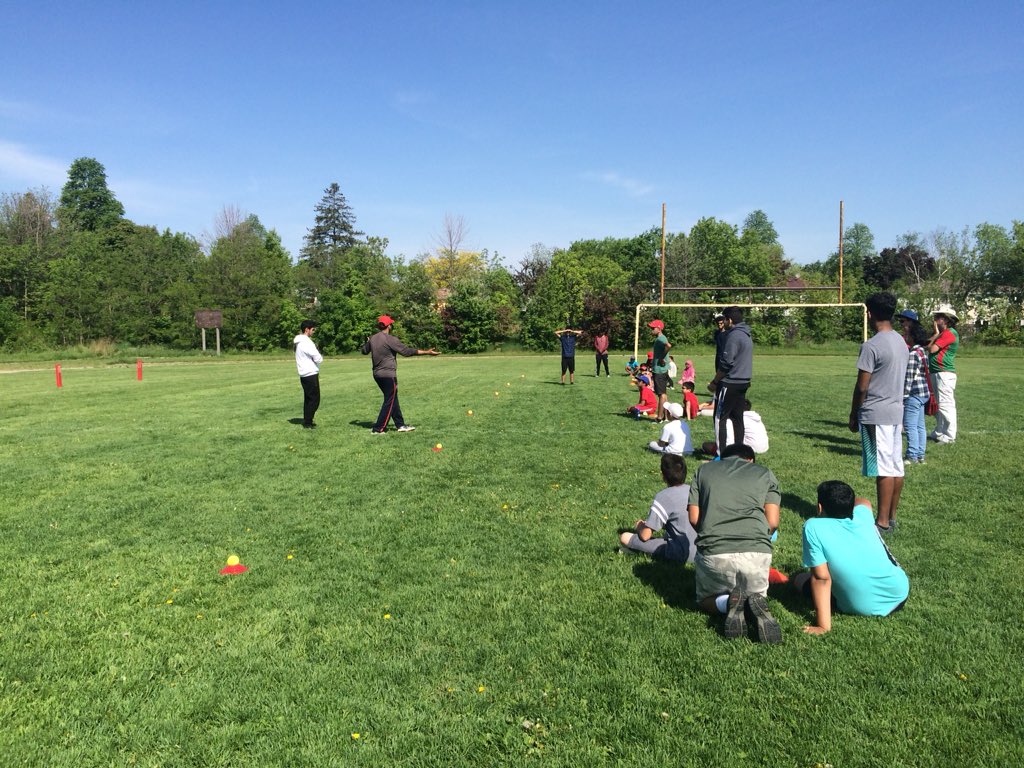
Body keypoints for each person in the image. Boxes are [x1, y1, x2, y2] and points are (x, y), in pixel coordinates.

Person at [688, 443, 783, 643]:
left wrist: (710, 535)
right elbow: (773, 522)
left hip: (715, 552)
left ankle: (726, 604)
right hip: (756, 553)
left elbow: (694, 518)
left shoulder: (703, 471)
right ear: (750, 460)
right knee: (754, 596)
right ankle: (751, 604)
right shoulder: (764, 473)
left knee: (704, 601)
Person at [794, 481, 910, 635]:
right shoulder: (863, 514)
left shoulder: (813, 527)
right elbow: (864, 501)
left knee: (799, 579)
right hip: (900, 592)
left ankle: (826, 619)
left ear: (820, 507)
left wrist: (823, 626)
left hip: (861, 606)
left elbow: (821, 578)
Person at [849, 292, 908, 535]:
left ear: (870, 313)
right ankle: (891, 516)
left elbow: (863, 385)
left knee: (883, 467)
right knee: (895, 466)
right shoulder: (900, 341)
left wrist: (854, 413)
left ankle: (882, 522)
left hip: (877, 412)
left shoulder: (872, 345)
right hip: (896, 412)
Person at [361, 314, 439, 434]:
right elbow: (407, 352)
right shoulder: (390, 339)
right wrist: (427, 352)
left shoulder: (373, 339)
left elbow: (364, 351)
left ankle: (400, 425)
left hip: (377, 375)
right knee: (389, 400)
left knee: (392, 399)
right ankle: (378, 429)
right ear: (389, 326)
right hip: (388, 375)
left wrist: (368, 341)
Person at [618, 453, 697, 562]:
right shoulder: (694, 490)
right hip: (701, 550)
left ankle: (635, 551)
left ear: (663, 476)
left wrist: (640, 526)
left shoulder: (664, 496)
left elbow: (645, 536)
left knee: (625, 537)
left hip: (680, 553)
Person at [709, 306, 753, 451]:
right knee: (737, 419)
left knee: (719, 419)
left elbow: (727, 363)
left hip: (730, 383)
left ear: (730, 320)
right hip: (743, 382)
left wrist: (715, 382)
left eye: (724, 320)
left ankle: (721, 455)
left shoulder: (733, 335)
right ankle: (739, 452)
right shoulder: (746, 334)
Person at [928, 304, 959, 444]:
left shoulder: (949, 333)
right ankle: (940, 431)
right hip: (937, 372)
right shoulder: (943, 333)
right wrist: (935, 334)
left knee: (946, 404)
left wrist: (935, 336)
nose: (935, 319)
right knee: (939, 405)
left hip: (944, 373)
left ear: (946, 320)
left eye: (938, 317)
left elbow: (932, 349)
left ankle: (949, 435)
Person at [903, 323, 931, 464]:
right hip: (923, 393)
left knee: (910, 425)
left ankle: (912, 455)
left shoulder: (913, 354)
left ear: (913, 337)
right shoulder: (922, 351)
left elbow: (909, 378)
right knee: (920, 426)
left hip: (914, 393)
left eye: (907, 335)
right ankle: (920, 455)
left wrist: (904, 396)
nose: (905, 337)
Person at [703, 400, 769, 456]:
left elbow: (729, 439)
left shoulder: (738, 420)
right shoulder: (755, 417)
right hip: (764, 447)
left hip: (749, 449)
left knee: (706, 446)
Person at [294, 320, 323, 429]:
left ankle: (307, 420)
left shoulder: (298, 342)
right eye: (313, 329)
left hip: (303, 374)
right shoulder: (306, 342)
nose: (314, 331)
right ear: (307, 329)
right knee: (315, 400)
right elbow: (318, 358)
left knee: (308, 399)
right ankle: (308, 422)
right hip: (310, 374)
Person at [648, 319, 672, 421]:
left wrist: (662, 357)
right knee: (664, 394)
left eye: (653, 328)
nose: (651, 330)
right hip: (661, 370)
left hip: (659, 371)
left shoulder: (661, 339)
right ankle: (666, 416)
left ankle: (660, 417)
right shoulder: (660, 338)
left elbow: (668, 346)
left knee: (661, 395)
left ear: (659, 328)